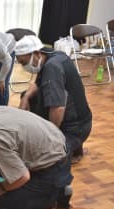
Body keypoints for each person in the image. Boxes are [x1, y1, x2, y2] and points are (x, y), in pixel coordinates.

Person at [15, 35, 92, 163]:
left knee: (39, 158)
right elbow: (37, 83)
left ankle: (71, 144)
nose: (24, 67)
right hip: (81, 121)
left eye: (24, 62)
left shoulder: (52, 68)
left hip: (75, 129)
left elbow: (58, 108)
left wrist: (49, 137)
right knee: (27, 95)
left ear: (36, 54)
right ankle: (73, 146)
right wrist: (25, 98)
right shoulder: (54, 56)